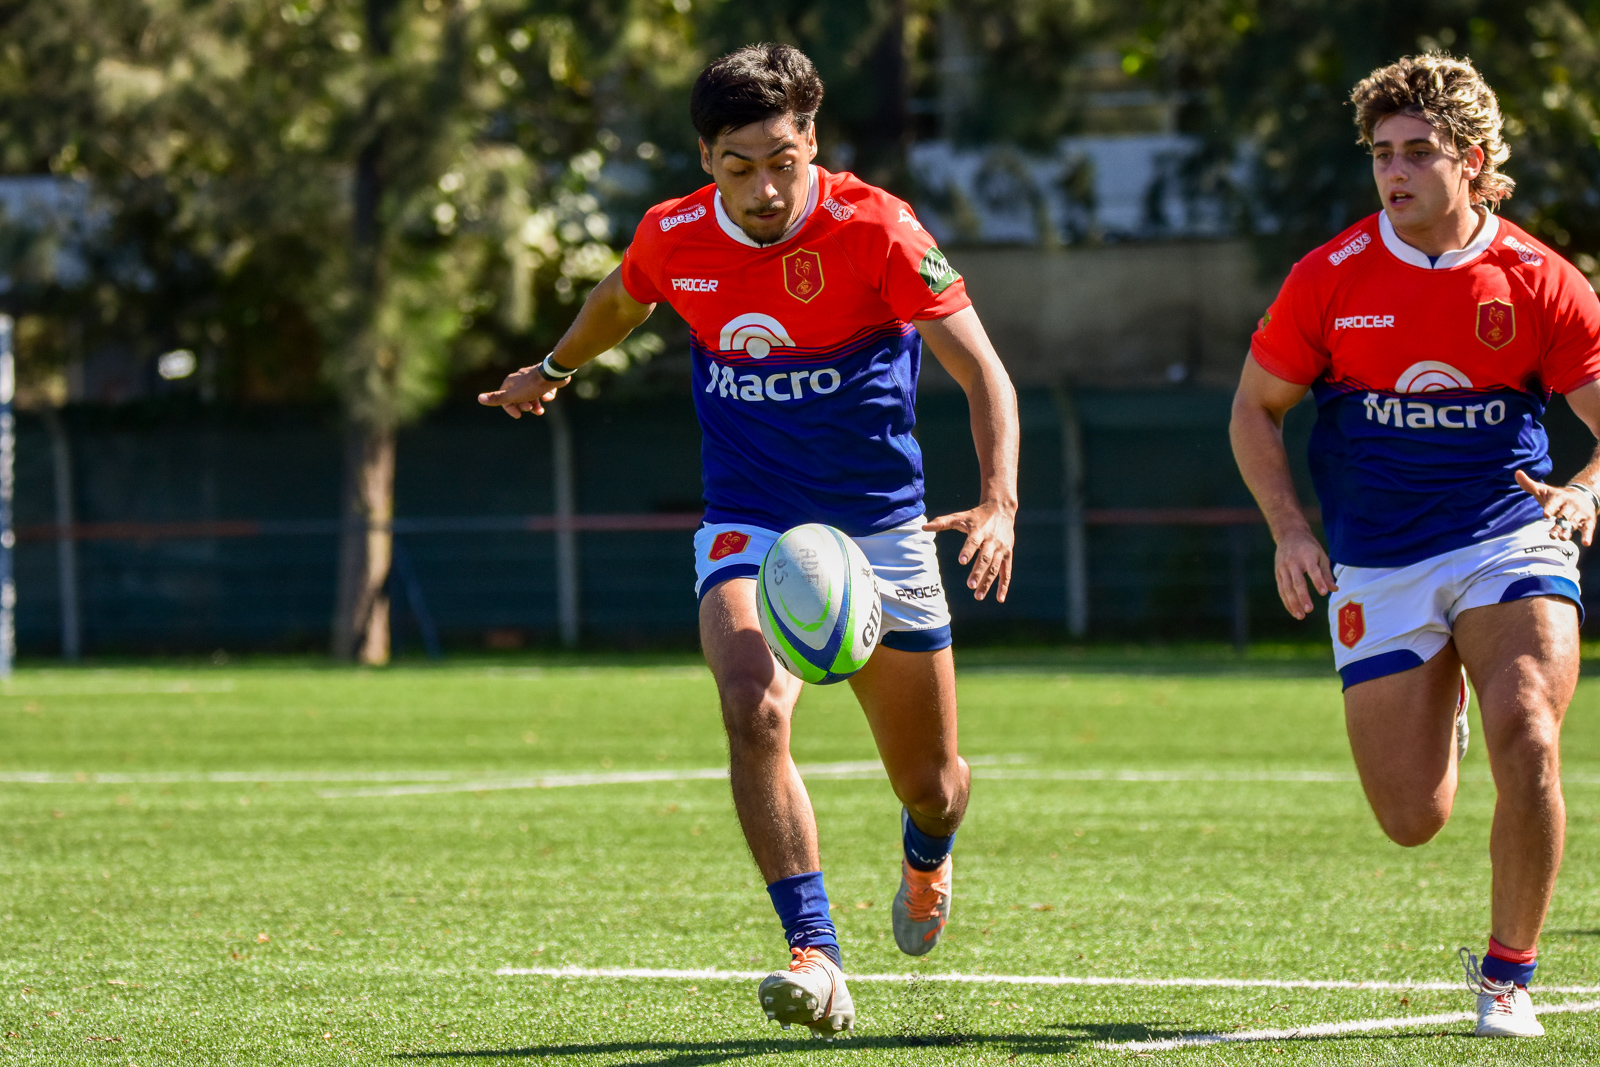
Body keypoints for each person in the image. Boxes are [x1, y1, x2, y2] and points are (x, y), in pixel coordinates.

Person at [478, 43, 1018, 1039]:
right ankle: (815, 952)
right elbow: (621, 298)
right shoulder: (674, 234)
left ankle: (927, 852)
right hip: (751, 518)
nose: (765, 188)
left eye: (783, 159)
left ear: (811, 139)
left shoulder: (880, 229)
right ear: (704, 158)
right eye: (739, 166)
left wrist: (997, 501)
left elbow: (984, 372)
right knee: (751, 705)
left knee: (933, 785)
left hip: (882, 530)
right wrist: (551, 367)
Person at [1231, 53, 1600, 1039]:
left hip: (1505, 537)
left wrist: (1582, 488)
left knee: (1529, 725)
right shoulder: (1328, 278)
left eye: (1418, 153)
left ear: (1471, 161)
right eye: (1380, 154)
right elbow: (1253, 411)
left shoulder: (1538, 279)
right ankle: (1445, 698)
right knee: (1410, 817)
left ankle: (1506, 977)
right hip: (1379, 559)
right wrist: (1290, 530)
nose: (1393, 173)